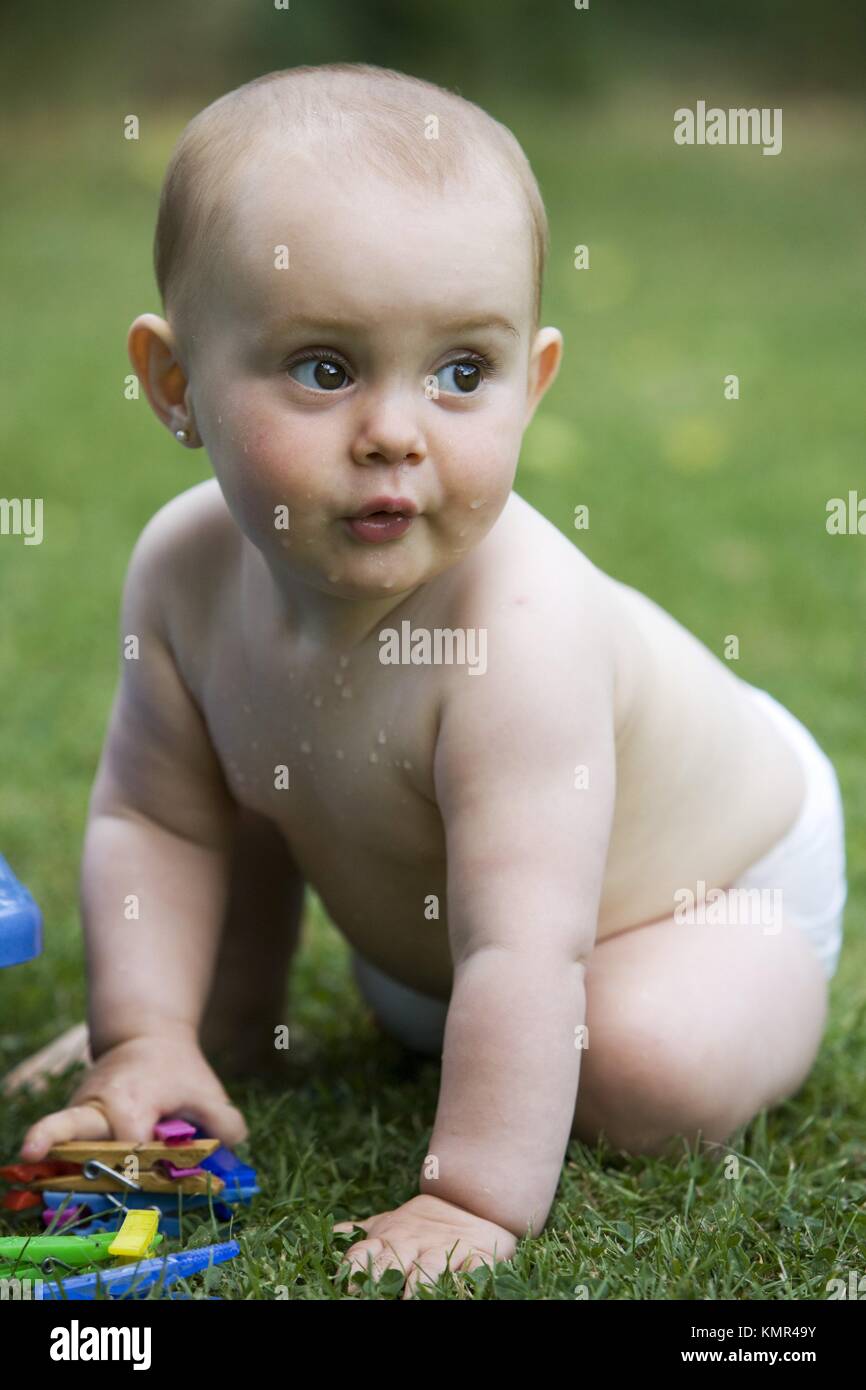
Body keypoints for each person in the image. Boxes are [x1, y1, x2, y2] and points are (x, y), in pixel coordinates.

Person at [15, 63, 847, 1296]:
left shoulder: (520, 629)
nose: (396, 431)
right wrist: (144, 1028)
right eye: (323, 366)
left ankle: (735, 993)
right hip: (446, 927)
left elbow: (522, 946)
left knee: (633, 1068)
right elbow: (154, 816)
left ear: (535, 380)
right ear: (175, 385)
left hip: (692, 893)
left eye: (462, 372)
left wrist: (468, 1193)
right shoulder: (181, 572)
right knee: (222, 777)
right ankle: (198, 1035)